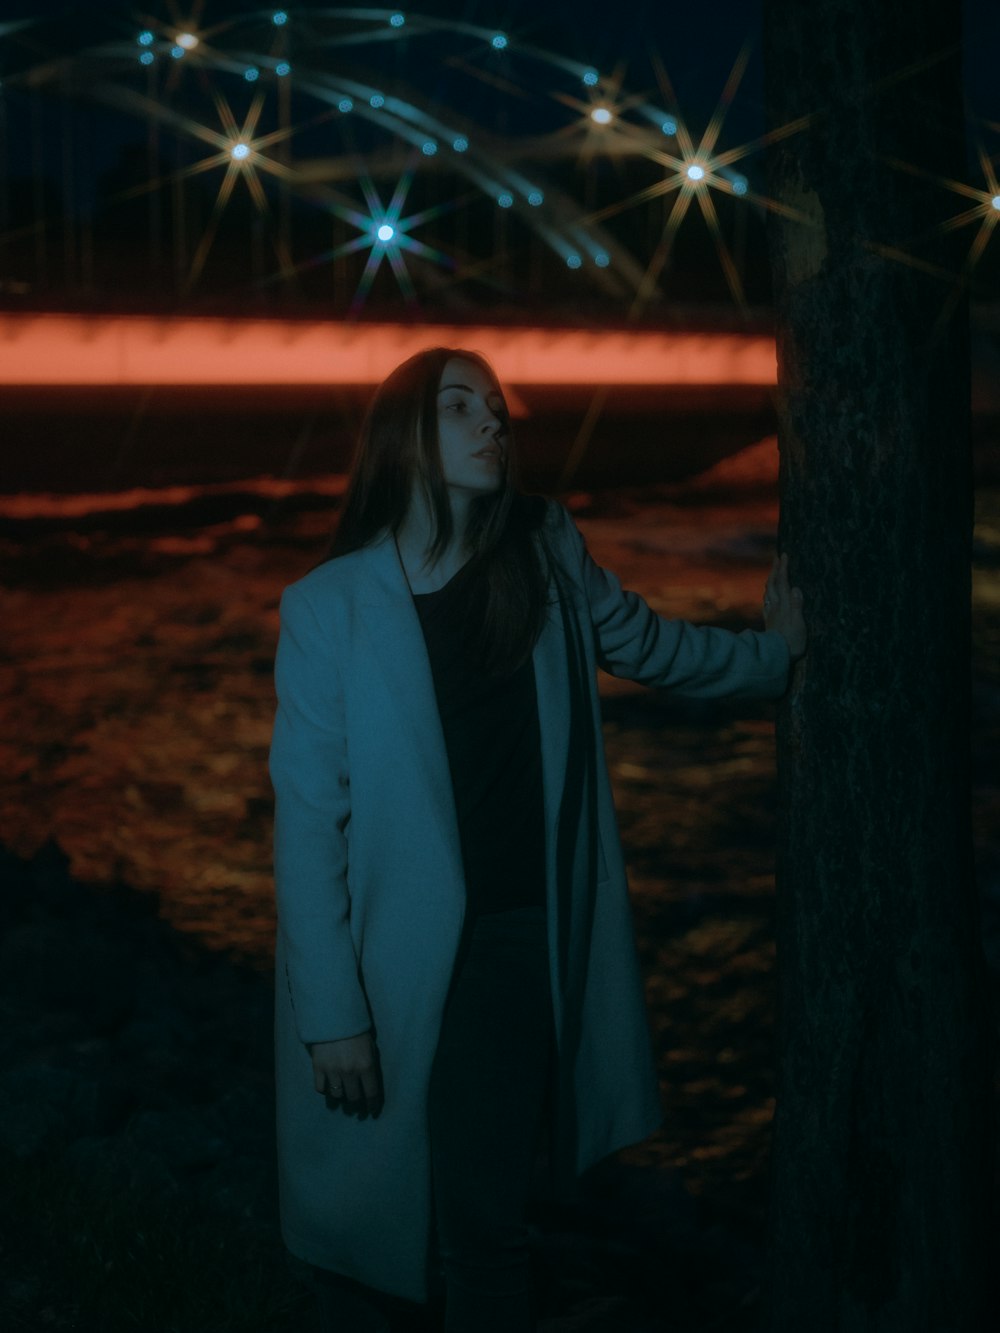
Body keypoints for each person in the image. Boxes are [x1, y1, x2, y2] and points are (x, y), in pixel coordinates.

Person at [268, 346, 807, 1333]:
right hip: (382, 963)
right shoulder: (328, 606)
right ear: (404, 438)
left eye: (497, 408)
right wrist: (330, 1015)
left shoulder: (545, 546)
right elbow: (308, 825)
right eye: (458, 406)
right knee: (360, 1238)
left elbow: (646, 643)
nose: (493, 422)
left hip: (515, 938)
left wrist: (772, 657)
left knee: (482, 1224)